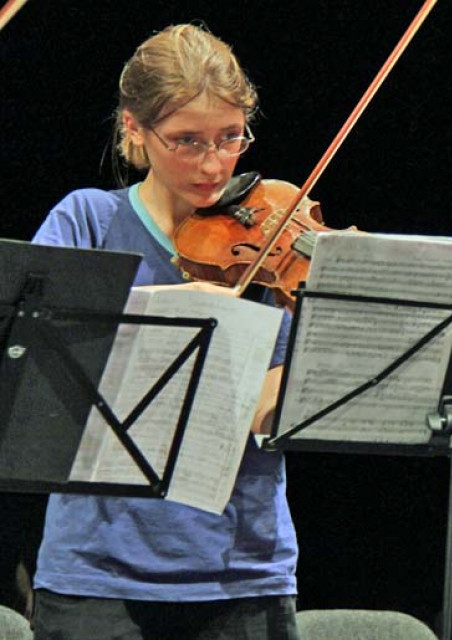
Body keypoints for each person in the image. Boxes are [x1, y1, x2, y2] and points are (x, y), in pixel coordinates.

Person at [29, 24, 299, 640]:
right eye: (185, 141)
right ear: (134, 129)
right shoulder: (86, 221)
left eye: (231, 137)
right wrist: (178, 306)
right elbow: (39, 364)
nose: (213, 164)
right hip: (96, 577)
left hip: (244, 571)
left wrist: (327, 340)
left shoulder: (268, 239)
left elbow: (266, 413)